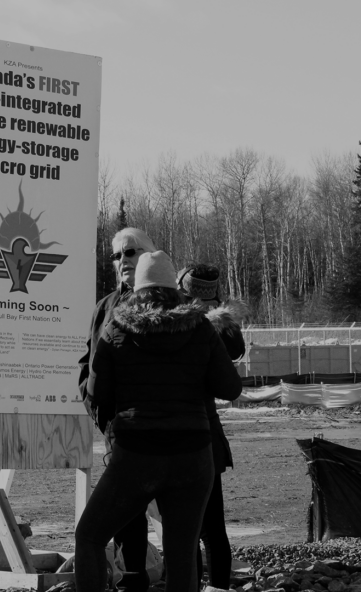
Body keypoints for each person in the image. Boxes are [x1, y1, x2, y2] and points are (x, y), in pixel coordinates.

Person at [75, 251, 243, 592]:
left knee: (89, 537)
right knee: (183, 553)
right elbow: (230, 388)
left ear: (137, 288)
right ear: (175, 287)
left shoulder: (116, 328)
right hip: (193, 457)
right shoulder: (201, 328)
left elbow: (97, 392)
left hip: (136, 456)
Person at [78, 227, 157, 591]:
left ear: (150, 255)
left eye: (130, 252)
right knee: (127, 513)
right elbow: (88, 361)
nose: (122, 260)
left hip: (167, 429)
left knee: (182, 518)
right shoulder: (106, 306)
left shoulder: (168, 304)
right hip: (118, 428)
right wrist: (97, 409)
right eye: (116, 255)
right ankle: (132, 579)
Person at [177, 263, 248, 590]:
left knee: (185, 531)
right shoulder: (221, 328)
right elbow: (231, 381)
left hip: (176, 436)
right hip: (207, 434)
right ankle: (217, 586)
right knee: (212, 528)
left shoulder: (179, 323)